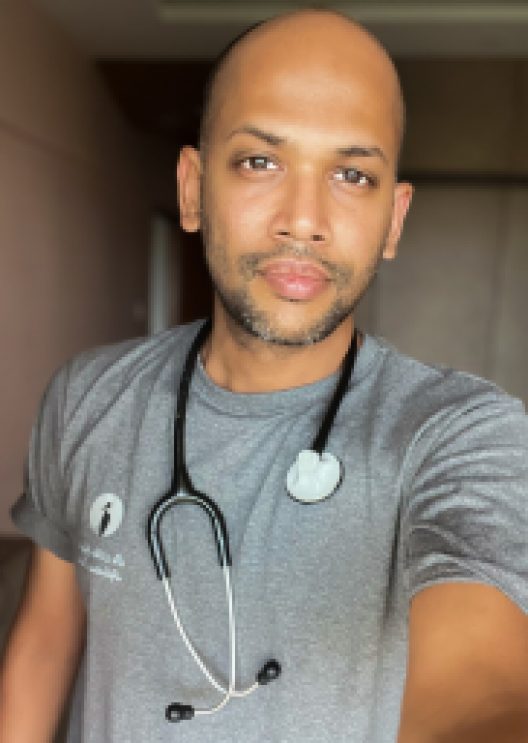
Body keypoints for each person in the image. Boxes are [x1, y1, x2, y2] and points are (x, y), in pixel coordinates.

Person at [1, 8, 528, 743]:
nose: (303, 220)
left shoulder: (460, 434)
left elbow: (483, 687)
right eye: (260, 161)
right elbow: (46, 639)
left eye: (352, 174)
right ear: (192, 189)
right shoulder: (87, 397)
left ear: (393, 219)